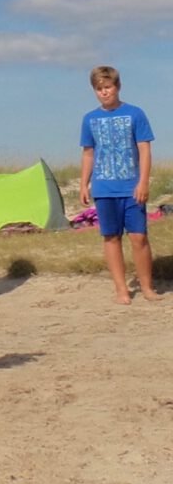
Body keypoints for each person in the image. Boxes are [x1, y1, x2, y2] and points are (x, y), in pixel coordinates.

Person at [79, 65, 160, 304]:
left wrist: (143, 181)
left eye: (108, 87)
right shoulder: (90, 119)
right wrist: (84, 183)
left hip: (131, 186)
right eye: (99, 88)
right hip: (104, 188)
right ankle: (121, 290)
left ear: (117, 86)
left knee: (139, 237)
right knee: (111, 237)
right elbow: (88, 152)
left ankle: (146, 286)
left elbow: (144, 149)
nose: (104, 92)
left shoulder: (135, 114)